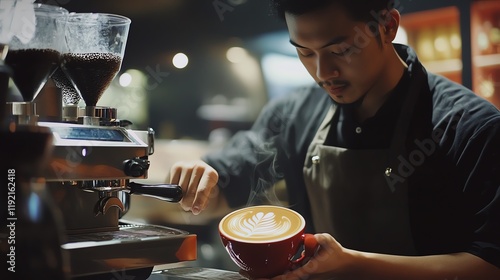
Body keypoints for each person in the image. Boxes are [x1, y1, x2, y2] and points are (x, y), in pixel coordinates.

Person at [167, 0, 500, 279]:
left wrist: (355, 264)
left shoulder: (471, 127)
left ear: (387, 26)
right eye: (305, 53)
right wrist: (202, 179)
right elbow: (230, 179)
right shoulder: (294, 112)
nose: (323, 72)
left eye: (341, 50)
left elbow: (489, 264)